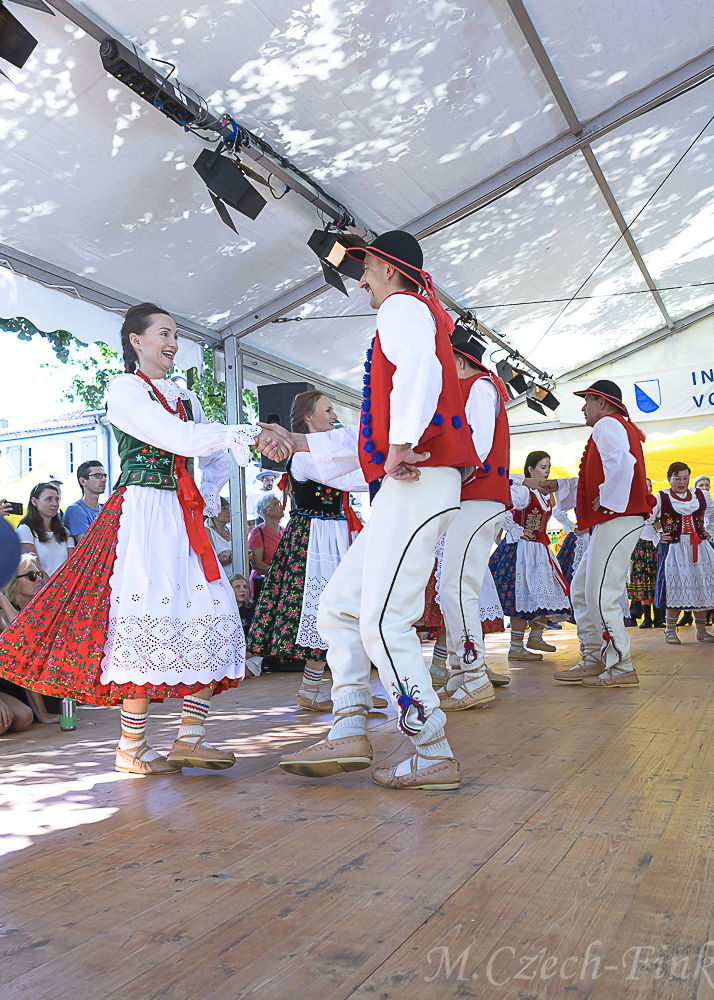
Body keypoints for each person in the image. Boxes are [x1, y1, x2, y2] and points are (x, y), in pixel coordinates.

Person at [0, 302, 289, 775]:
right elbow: (178, 438)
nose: (173, 342)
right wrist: (246, 433)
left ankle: (189, 738)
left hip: (181, 513)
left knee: (211, 610)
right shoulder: (125, 389)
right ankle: (131, 746)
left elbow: (208, 456)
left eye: (176, 334)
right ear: (136, 341)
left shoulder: (184, 396)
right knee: (144, 616)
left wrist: (211, 491)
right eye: (164, 334)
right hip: (143, 513)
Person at [272, 230, 479, 790]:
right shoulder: (417, 310)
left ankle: (432, 750)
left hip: (417, 483)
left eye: (364, 268)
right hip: (409, 488)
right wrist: (298, 442)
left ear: (388, 268)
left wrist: (406, 440)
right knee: (337, 607)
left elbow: (421, 374)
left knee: (384, 620)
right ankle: (349, 724)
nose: (360, 279)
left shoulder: (404, 307)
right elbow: (372, 431)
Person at [248, 390, 384, 713]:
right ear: (308, 417)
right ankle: (313, 690)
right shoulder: (303, 457)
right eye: (328, 410)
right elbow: (348, 479)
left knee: (343, 608)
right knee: (322, 608)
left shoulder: (325, 450)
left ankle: (350, 690)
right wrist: (384, 467)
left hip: (334, 532)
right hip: (313, 539)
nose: (334, 416)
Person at [547, 380, 653, 687]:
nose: (583, 407)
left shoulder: (607, 424)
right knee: (581, 590)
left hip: (618, 519)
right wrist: (562, 486)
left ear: (602, 403)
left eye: (588, 401)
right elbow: (601, 475)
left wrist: (607, 498)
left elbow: (622, 463)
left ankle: (620, 664)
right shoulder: (614, 425)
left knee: (599, 593)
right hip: (614, 519)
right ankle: (595, 657)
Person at [430, 326, 512, 709]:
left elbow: (474, 447)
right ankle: (463, 671)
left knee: (455, 587)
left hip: (478, 498)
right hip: (473, 499)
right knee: (453, 587)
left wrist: (438, 470)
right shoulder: (480, 385)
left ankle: (473, 672)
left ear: (458, 360)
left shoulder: (480, 385)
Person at [489, 451, 570, 661]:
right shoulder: (523, 490)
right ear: (530, 469)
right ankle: (516, 647)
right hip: (522, 549)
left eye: (549, 467)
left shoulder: (546, 493)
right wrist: (515, 529)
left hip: (540, 550)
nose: (547, 471)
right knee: (521, 596)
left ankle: (535, 635)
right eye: (543, 467)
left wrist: (572, 526)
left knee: (548, 593)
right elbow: (503, 505)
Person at [654, 462, 714, 644]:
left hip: (699, 547)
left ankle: (701, 630)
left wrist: (708, 532)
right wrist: (657, 536)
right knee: (675, 586)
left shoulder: (701, 495)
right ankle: (670, 630)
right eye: (677, 478)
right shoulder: (661, 497)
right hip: (674, 548)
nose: (681, 482)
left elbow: (712, 515)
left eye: (685, 478)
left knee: (701, 585)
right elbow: (645, 518)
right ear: (669, 478)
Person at [0, 555, 59, 726]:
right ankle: (41, 712)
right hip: (8, 683)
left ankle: (39, 712)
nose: (39, 579)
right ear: (13, 583)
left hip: (21, 685)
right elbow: (21, 638)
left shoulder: (37, 608)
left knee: (23, 719)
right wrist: (2, 598)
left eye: (39, 574)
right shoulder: (4, 611)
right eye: (31, 576)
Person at [16, 482, 74, 577]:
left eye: (57, 499)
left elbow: (71, 563)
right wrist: (52, 588)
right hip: (41, 587)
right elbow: (34, 566)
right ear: (34, 501)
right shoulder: (25, 530)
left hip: (65, 587)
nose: (55, 504)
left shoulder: (65, 532)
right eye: (49, 499)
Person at [627, 478, 660, 628]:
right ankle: (647, 617)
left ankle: (658, 617)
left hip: (654, 543)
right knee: (642, 581)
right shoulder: (632, 503)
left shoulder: (657, 502)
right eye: (645, 486)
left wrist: (657, 525)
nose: (649, 489)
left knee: (655, 580)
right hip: (638, 543)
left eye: (650, 486)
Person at [247, 493, 285, 602]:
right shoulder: (257, 532)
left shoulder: (284, 531)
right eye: (276, 504)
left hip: (282, 582)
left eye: (280, 503)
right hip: (264, 583)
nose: (281, 506)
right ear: (265, 511)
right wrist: (279, 574)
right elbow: (256, 563)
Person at [62, 461, 107, 542]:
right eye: (98, 476)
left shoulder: (105, 509)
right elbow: (86, 545)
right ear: (82, 481)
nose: (103, 479)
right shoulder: (75, 510)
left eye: (105, 476)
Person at [229, 573, 262, 677]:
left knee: (241, 673)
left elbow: (258, 640)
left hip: (250, 655)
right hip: (230, 655)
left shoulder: (253, 610)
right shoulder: (225, 612)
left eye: (244, 587)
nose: (242, 590)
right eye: (237, 587)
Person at [205, 496, 233, 573]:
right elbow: (209, 562)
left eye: (229, 508)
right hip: (221, 581)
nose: (228, 512)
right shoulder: (207, 531)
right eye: (224, 509)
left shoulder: (233, 530)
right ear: (213, 513)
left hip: (238, 580)